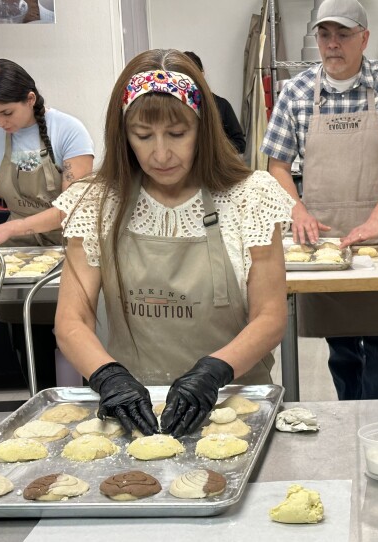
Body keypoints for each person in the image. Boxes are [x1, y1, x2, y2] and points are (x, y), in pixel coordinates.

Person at [53, 49, 293, 436]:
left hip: (232, 405)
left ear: (203, 128)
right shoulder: (97, 201)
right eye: (143, 135)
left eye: (178, 134)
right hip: (136, 411)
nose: (160, 153)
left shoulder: (251, 196)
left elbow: (269, 317)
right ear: (123, 133)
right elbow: (71, 320)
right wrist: (108, 377)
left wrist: (213, 372)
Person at [260, 0, 378, 400]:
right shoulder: (297, 92)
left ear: (364, 39)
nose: (332, 44)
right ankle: (351, 421)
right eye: (324, 34)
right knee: (342, 352)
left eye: (343, 35)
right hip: (327, 244)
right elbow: (277, 165)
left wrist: (375, 221)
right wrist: (297, 210)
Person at [0, 58, 94, 246]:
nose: (0, 122)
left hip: (71, 244)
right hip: (18, 246)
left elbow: (72, 207)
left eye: (7, 113)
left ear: (30, 99)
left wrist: (13, 227)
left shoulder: (69, 131)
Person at [183, 51, 247, 154]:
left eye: (193, 73)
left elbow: (240, 144)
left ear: (202, 73)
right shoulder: (175, 107)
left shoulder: (221, 105)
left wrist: (216, 145)